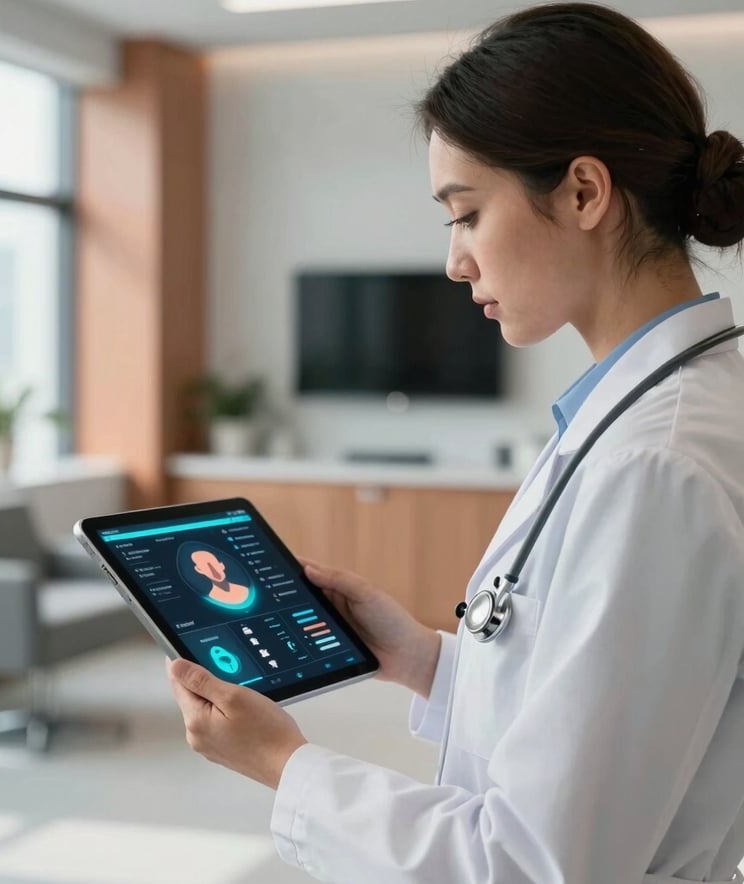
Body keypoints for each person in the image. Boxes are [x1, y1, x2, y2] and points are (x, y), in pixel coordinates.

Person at [167, 3, 744, 881]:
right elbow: (611, 710)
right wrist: (425, 659)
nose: (455, 262)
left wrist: (286, 765)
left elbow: (530, 864)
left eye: (466, 213)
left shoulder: (653, 464)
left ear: (584, 193)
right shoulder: (654, 414)